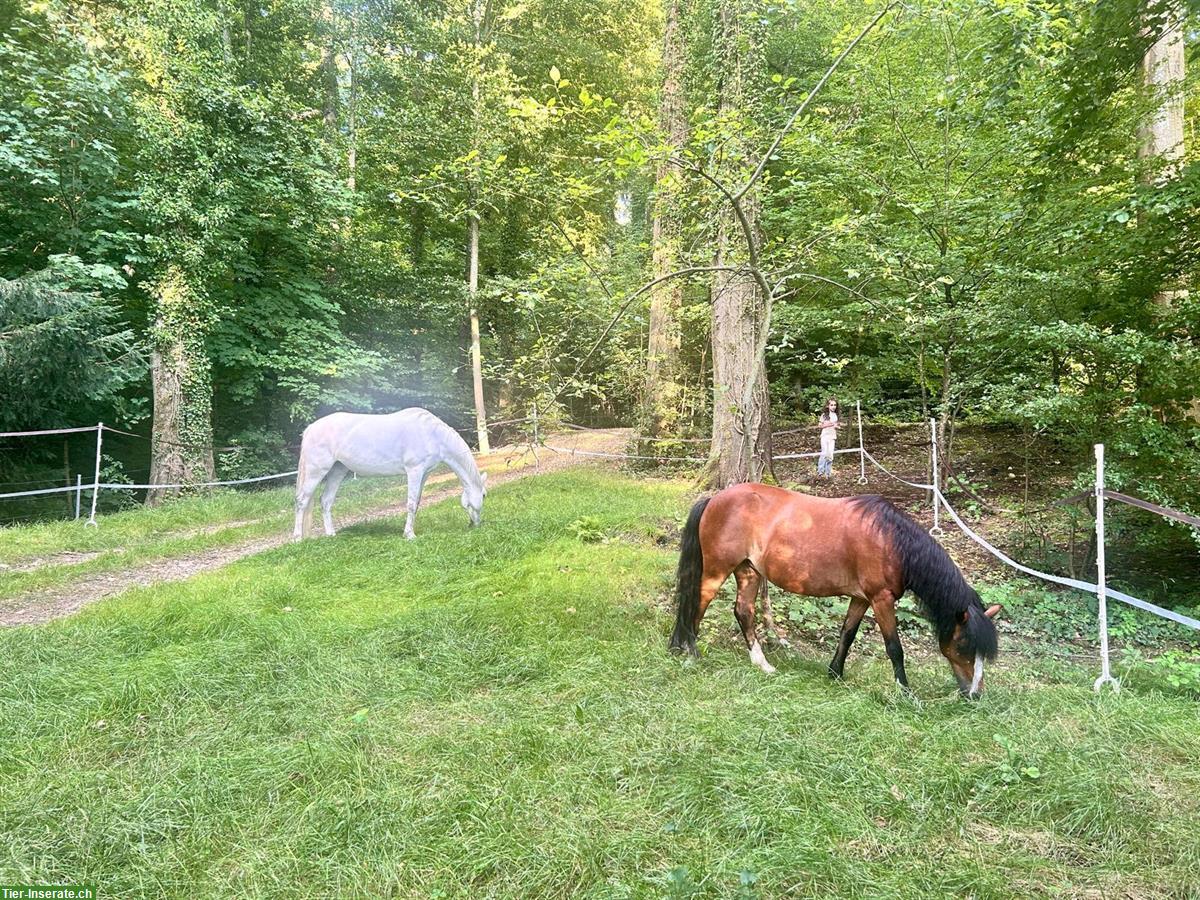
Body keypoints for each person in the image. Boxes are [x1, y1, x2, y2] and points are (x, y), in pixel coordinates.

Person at [816, 398, 842, 477]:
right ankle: (820, 472)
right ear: (828, 406)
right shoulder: (824, 415)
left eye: (835, 405)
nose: (833, 407)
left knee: (830, 455)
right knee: (824, 453)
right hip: (824, 436)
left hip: (832, 437)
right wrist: (828, 424)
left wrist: (837, 426)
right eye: (831, 405)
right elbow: (820, 426)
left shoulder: (836, 415)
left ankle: (828, 473)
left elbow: (837, 425)